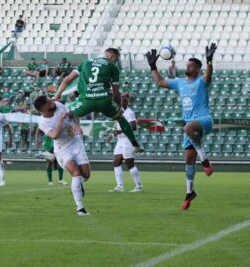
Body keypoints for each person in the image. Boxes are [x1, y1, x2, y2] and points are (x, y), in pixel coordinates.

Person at [146, 43, 217, 210]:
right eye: (187, 65)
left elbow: (208, 76)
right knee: (188, 160)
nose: (188, 67)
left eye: (191, 66)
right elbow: (160, 82)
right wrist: (152, 66)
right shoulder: (179, 83)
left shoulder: (201, 81)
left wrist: (209, 61)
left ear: (198, 69)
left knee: (187, 128)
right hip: (190, 125)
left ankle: (205, 161)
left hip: (204, 119)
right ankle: (189, 192)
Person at [53, 48, 143, 152]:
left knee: (63, 114)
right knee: (120, 119)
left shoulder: (86, 62)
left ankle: (53, 149)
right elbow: (116, 92)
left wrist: (57, 95)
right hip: (104, 101)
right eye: (116, 59)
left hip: (86, 101)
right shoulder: (113, 67)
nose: (116, 62)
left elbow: (67, 80)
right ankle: (135, 145)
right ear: (112, 56)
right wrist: (118, 108)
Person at [34, 95, 91, 215]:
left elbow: (74, 114)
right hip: (62, 149)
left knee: (85, 175)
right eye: (48, 101)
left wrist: (77, 125)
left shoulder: (59, 105)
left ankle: (79, 183)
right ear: (43, 109)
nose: (51, 101)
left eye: (50, 99)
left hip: (76, 143)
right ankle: (80, 208)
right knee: (75, 173)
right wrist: (60, 119)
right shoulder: (43, 123)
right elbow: (54, 135)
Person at [107, 95, 143, 192]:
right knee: (116, 162)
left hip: (127, 140)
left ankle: (139, 186)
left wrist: (120, 131)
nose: (119, 102)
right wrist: (112, 135)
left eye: (122, 101)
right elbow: (117, 127)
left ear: (126, 102)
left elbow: (134, 126)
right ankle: (119, 186)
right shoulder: (118, 112)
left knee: (129, 164)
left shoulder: (129, 113)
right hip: (120, 140)